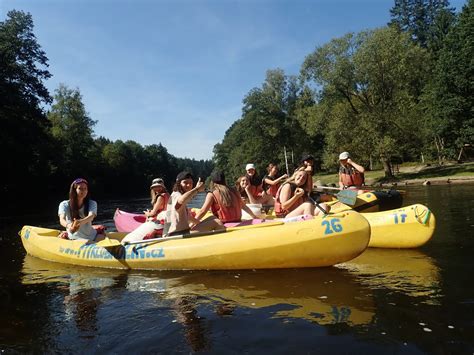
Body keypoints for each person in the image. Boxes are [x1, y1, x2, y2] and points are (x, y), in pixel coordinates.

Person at [165, 171, 223, 236]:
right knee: (217, 222)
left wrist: (201, 224)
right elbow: (181, 201)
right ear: (178, 183)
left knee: (212, 218)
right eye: (185, 182)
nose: (189, 185)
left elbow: (189, 217)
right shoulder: (176, 195)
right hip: (178, 235)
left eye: (190, 183)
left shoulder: (175, 195)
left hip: (181, 232)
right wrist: (197, 189)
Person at [121, 178, 170, 244]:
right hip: (166, 221)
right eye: (155, 187)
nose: (157, 188)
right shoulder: (167, 195)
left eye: (159, 186)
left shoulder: (160, 197)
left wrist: (147, 213)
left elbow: (153, 213)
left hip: (159, 223)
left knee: (130, 238)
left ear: (162, 187)